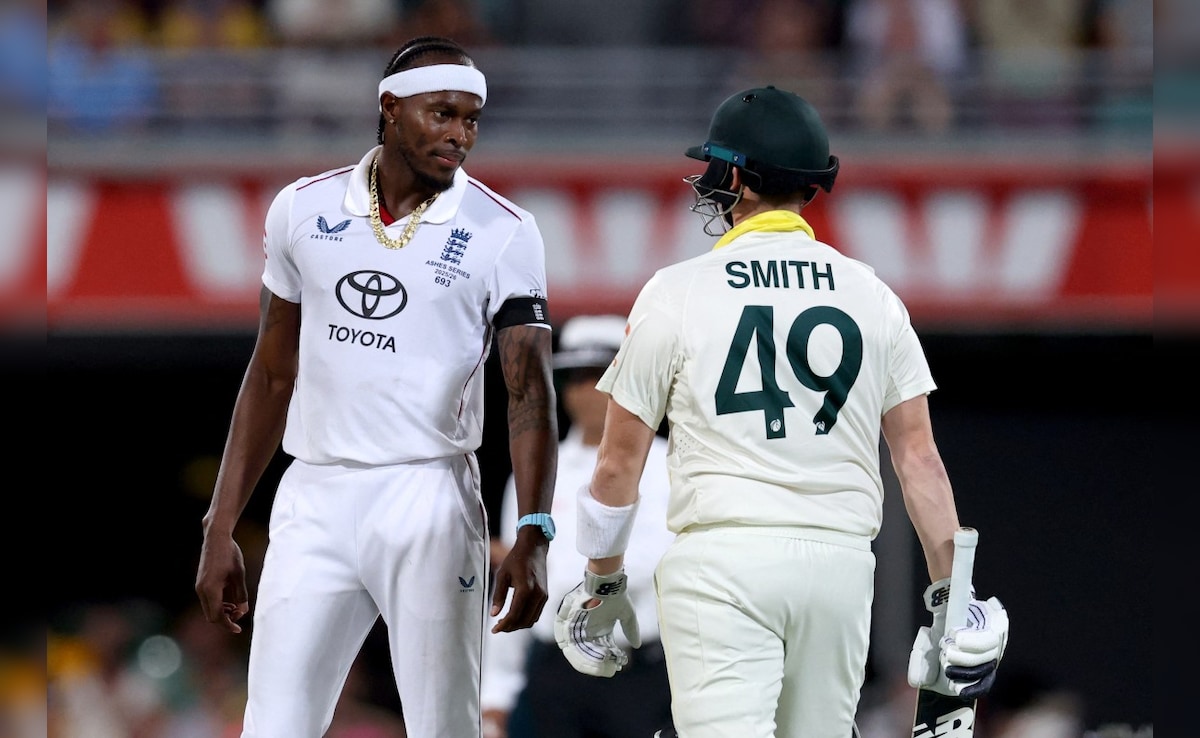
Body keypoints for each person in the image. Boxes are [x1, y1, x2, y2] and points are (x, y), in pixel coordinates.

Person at [553, 85, 1010, 737]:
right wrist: (951, 597)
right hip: (840, 566)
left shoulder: (676, 292)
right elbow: (918, 459)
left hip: (723, 561)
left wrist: (601, 584)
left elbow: (616, 466)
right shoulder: (872, 294)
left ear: (737, 179)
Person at [194, 36, 559, 738]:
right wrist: (220, 522)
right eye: (442, 114)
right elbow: (271, 372)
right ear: (390, 108)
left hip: (428, 495)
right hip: (314, 493)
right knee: (272, 726)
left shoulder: (506, 231)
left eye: (472, 119)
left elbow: (529, 391)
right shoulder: (301, 208)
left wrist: (534, 531)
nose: (460, 135)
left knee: (444, 728)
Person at [481, 315, 676, 738]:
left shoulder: (671, 466)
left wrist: (563, 575)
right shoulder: (536, 473)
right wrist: (495, 692)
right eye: (574, 378)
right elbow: (515, 584)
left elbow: (666, 565)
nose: (585, 391)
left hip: (642, 673)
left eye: (599, 376)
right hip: (556, 673)